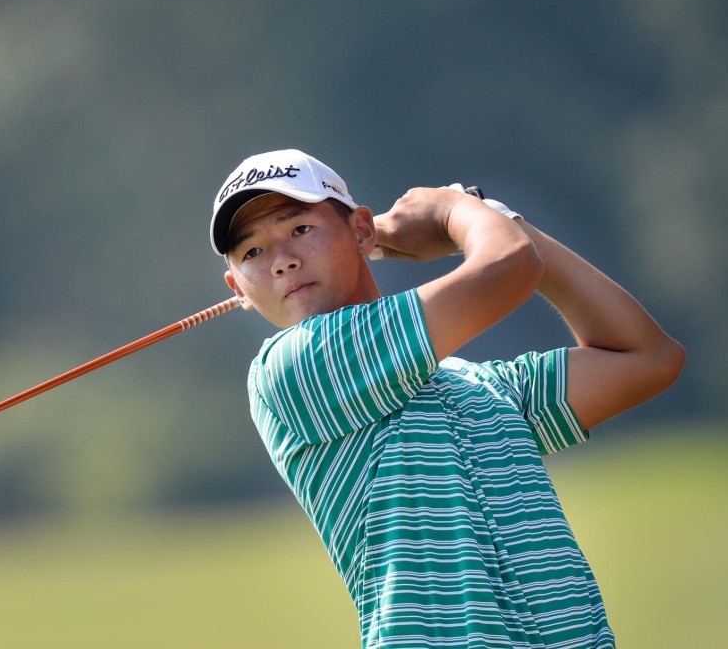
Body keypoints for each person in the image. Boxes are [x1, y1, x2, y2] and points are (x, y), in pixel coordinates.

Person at [210, 148, 685, 648]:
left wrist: (499, 219)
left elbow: (648, 358)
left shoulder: (480, 388)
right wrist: (452, 212)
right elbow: (509, 267)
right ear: (236, 287)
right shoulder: (295, 368)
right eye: (252, 253)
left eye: (300, 229)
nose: (282, 261)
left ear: (361, 231)